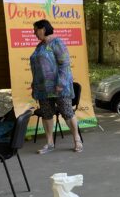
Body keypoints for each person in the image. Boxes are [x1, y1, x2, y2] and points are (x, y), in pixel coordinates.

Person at [30, 19, 82, 154]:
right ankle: (49, 143)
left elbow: (64, 64)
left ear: (43, 29)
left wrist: (61, 83)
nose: (34, 33)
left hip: (59, 87)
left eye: (36, 30)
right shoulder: (40, 46)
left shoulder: (57, 43)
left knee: (67, 112)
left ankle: (77, 139)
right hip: (43, 89)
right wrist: (34, 84)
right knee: (46, 114)